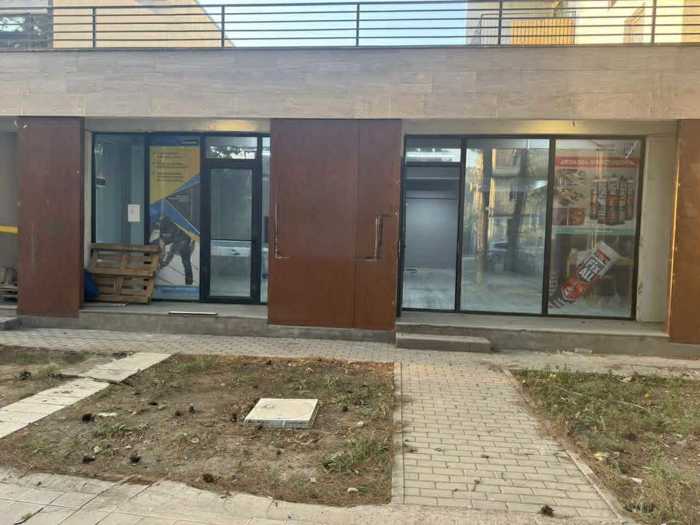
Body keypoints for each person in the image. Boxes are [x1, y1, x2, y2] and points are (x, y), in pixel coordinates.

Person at [157, 216, 194, 285]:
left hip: (180, 238)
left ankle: (189, 282)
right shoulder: (176, 247)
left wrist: (163, 263)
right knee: (185, 261)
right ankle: (189, 282)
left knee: (185, 261)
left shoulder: (175, 248)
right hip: (178, 236)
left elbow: (169, 255)